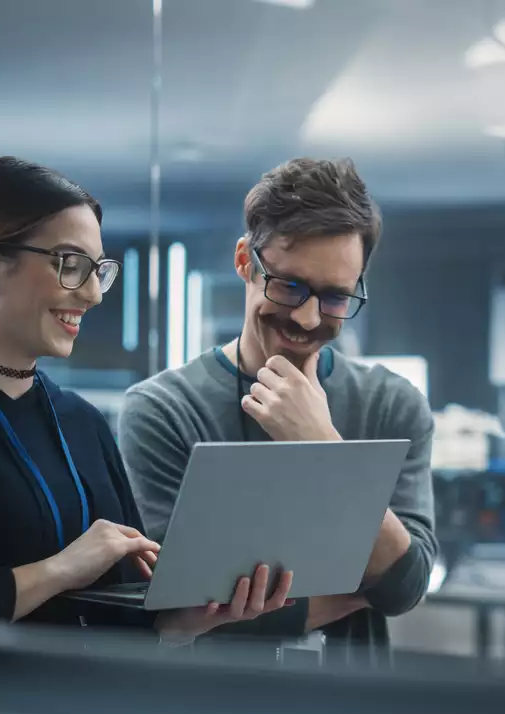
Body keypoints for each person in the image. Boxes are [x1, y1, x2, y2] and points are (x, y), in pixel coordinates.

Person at [0, 156, 293, 642]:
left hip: (87, 710)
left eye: (98, 271)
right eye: (70, 265)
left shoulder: (82, 423)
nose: (92, 294)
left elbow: (125, 621)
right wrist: (61, 569)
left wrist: (182, 623)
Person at [117, 157, 438, 640]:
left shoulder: (391, 403)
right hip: (215, 704)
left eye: (335, 297)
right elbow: (180, 604)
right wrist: (359, 585)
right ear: (246, 261)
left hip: (347, 707)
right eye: (290, 287)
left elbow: (405, 586)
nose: (308, 318)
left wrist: (323, 447)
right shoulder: (163, 409)